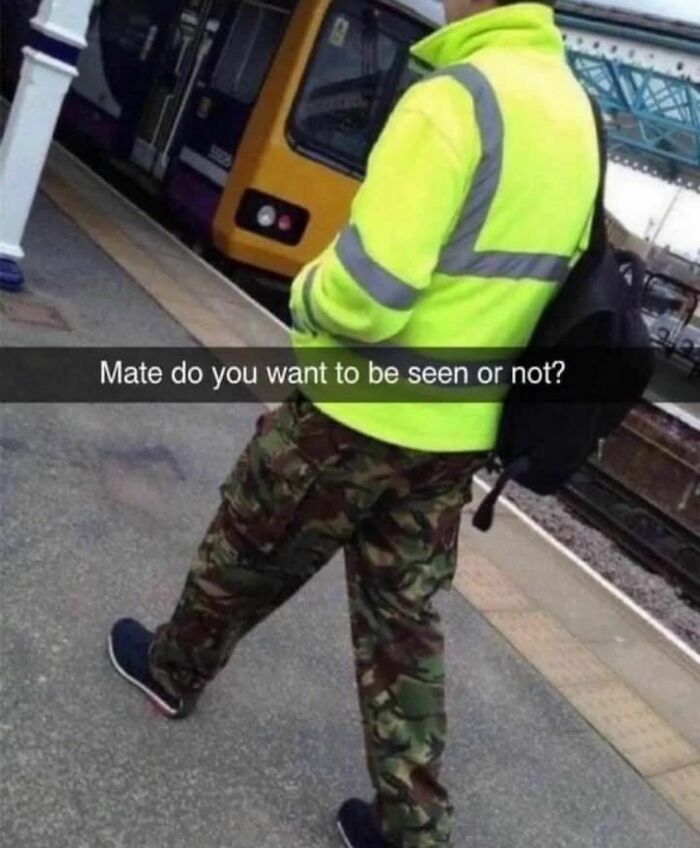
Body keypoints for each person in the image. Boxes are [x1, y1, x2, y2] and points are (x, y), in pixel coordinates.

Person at [107, 1, 599, 846]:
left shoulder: (457, 99)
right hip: (455, 436)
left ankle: (171, 670)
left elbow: (368, 298)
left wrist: (306, 295)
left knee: (248, 546)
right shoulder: (576, 116)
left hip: (355, 411)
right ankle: (412, 826)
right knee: (403, 625)